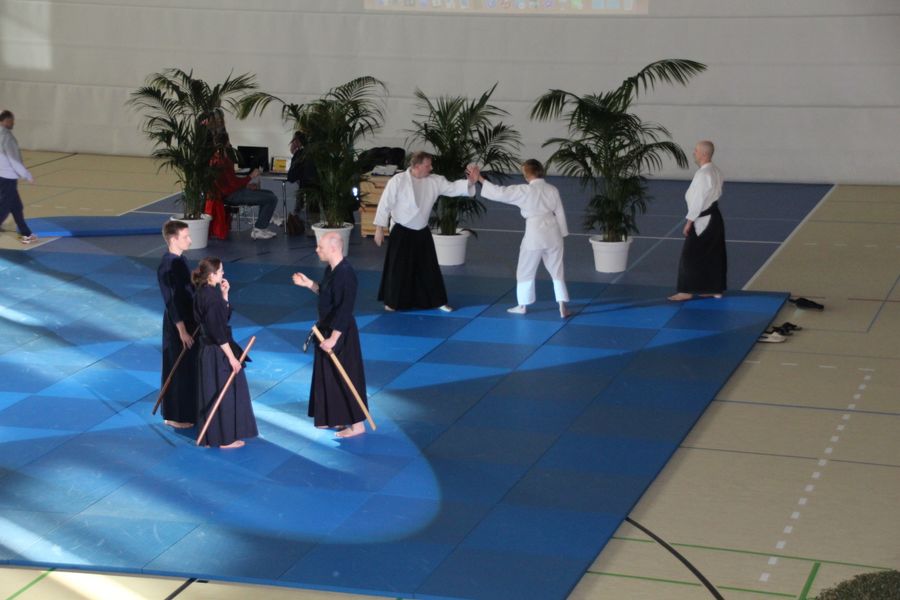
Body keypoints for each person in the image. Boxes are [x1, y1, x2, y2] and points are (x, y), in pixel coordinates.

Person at [372, 151, 476, 312]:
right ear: (417, 166)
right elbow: (385, 203)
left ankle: (438, 301)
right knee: (398, 268)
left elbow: (453, 188)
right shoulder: (398, 180)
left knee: (429, 267)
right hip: (401, 229)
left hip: (421, 229)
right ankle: (392, 301)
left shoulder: (435, 181)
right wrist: (379, 228)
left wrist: (469, 182)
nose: (431, 168)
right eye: (428, 165)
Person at [472, 160, 571, 318]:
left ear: (526, 175)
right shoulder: (552, 189)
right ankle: (562, 306)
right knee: (557, 271)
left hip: (534, 234)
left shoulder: (525, 190)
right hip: (553, 233)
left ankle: (522, 305)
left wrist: (480, 179)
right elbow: (559, 212)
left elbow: (500, 193)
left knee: (525, 270)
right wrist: (563, 233)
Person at [292, 232, 368, 438]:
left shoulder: (346, 274)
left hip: (340, 333)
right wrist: (309, 284)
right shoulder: (331, 270)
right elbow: (326, 293)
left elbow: (345, 309)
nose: (317, 250)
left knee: (346, 375)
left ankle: (357, 425)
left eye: (321, 247)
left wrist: (334, 338)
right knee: (329, 375)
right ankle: (333, 417)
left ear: (333, 248)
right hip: (326, 328)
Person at [193, 257, 258, 448]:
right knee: (226, 393)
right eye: (221, 271)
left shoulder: (203, 293)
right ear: (211, 275)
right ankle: (225, 439)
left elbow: (220, 319)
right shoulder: (211, 299)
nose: (223, 273)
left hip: (207, 351)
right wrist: (232, 359)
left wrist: (225, 295)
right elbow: (219, 333)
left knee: (211, 391)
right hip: (217, 352)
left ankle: (212, 437)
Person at [668, 140, 727, 302]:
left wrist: (689, 221)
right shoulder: (715, 170)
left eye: (696, 151)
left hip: (702, 219)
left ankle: (685, 291)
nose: (694, 153)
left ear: (704, 154)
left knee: (689, 256)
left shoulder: (703, 174)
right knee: (713, 254)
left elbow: (698, 200)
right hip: (714, 218)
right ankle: (714, 290)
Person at [157, 221, 198, 428]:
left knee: (188, 367)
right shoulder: (168, 265)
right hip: (178, 323)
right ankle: (175, 416)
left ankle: (189, 410)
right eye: (185, 237)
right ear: (173, 239)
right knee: (178, 366)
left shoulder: (181, 260)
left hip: (190, 319)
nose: (189, 240)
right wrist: (181, 330)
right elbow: (171, 300)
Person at [211, 133, 278, 240]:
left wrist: (247, 185)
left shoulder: (218, 158)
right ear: (227, 143)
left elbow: (232, 182)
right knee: (271, 198)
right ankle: (259, 229)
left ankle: (262, 227)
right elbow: (233, 184)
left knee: (269, 194)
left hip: (231, 192)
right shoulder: (223, 161)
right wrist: (250, 176)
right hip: (232, 195)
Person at [0, 110, 37, 244]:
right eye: (11, 120)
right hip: (7, 178)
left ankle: (26, 233)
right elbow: (14, 160)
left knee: (17, 207)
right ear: (4, 121)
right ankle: (25, 233)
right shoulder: (7, 138)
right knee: (4, 209)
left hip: (3, 176)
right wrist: (27, 175)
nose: (13, 123)